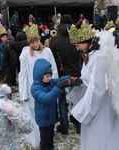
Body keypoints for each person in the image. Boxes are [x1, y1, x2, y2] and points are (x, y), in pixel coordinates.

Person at [68, 21, 117, 150]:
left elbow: (97, 88)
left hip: (98, 105)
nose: (77, 48)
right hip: (91, 101)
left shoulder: (99, 57)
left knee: (98, 135)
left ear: (86, 42)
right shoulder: (90, 54)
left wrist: (81, 110)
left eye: (78, 45)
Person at [19, 24, 58, 149]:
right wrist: (23, 93)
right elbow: (23, 74)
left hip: (48, 88)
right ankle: (39, 140)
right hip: (34, 90)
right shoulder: (25, 54)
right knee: (37, 116)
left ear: (39, 40)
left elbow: (54, 69)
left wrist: (55, 86)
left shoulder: (47, 51)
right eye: (32, 42)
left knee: (48, 113)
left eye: (36, 41)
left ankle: (48, 139)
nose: (35, 44)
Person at [31, 58, 82, 150]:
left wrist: (70, 78)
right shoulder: (35, 88)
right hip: (44, 119)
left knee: (51, 136)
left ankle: (51, 147)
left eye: (50, 75)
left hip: (51, 117)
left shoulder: (49, 82)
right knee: (44, 139)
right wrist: (60, 86)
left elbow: (59, 80)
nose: (49, 78)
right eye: (47, 76)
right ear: (40, 75)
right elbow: (47, 98)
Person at [49, 14, 82, 135]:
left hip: (62, 74)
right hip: (78, 72)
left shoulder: (54, 39)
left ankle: (64, 126)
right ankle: (78, 124)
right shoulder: (77, 36)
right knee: (78, 100)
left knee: (62, 101)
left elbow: (52, 58)